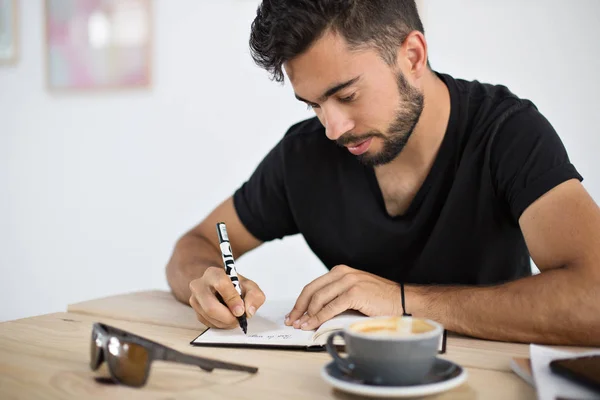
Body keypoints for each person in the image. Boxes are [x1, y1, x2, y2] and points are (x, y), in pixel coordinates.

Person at [166, 0, 600, 345]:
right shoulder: (303, 155)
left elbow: (593, 299)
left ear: (412, 55)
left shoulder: (507, 134)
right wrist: (204, 282)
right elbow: (196, 243)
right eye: (314, 105)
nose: (332, 128)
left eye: (348, 95)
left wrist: (403, 302)